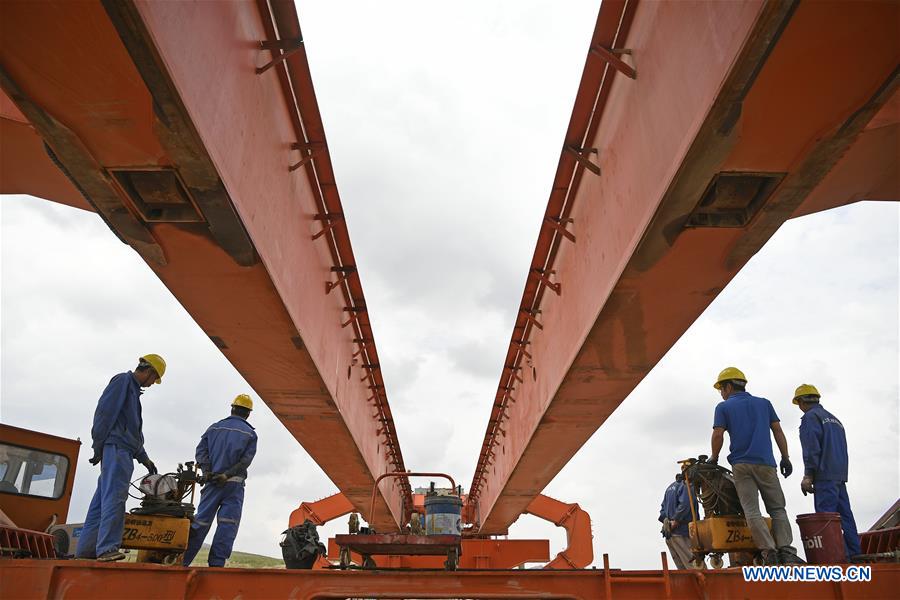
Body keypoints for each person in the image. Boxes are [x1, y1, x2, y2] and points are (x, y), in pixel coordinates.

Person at [75, 354, 166, 562]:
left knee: (101, 502)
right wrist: (98, 447)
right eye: (154, 379)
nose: (153, 384)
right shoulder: (123, 382)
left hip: (120, 450)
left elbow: (132, 432)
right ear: (149, 371)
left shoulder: (133, 392)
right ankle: (107, 548)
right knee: (115, 497)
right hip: (116, 450)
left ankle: (86, 551)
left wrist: (145, 458)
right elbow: (104, 415)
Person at [709, 367, 802, 565]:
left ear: (728, 386)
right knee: (778, 508)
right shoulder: (764, 403)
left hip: (741, 465)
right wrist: (785, 457)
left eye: (721, 389)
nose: (721, 394)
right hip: (766, 464)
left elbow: (718, 434)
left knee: (752, 511)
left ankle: (769, 552)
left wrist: (714, 457)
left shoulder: (723, 408)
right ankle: (786, 551)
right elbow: (777, 431)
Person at [182, 394, 258, 567]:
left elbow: (201, 452)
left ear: (232, 408)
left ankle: (183, 562)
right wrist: (227, 475)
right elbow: (245, 461)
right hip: (233, 486)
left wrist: (207, 472)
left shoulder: (214, 428)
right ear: (248, 414)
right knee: (227, 524)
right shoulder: (250, 434)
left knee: (200, 523)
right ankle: (216, 565)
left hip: (212, 483)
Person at [793, 384, 861, 560]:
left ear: (801, 402)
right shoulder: (835, 420)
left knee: (827, 518)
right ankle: (855, 554)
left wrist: (808, 475)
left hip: (824, 476)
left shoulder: (810, 417)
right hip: (839, 475)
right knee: (846, 516)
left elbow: (812, 448)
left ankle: (837, 559)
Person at [658, 473, 696, 569]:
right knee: (695, 567)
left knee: (683, 572)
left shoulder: (669, 488)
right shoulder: (685, 486)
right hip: (683, 533)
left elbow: (662, 510)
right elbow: (685, 504)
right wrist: (676, 520)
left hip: (671, 535)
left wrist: (666, 521)